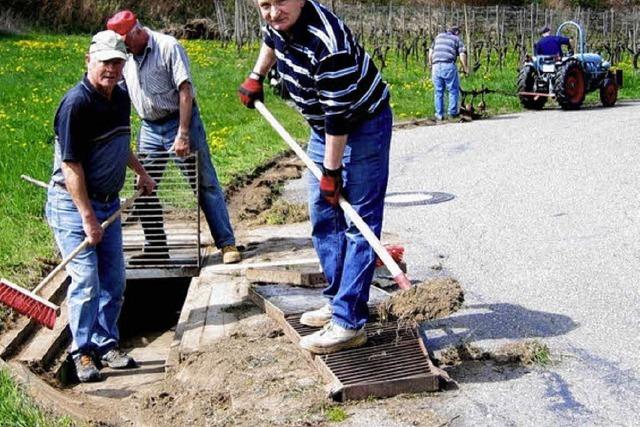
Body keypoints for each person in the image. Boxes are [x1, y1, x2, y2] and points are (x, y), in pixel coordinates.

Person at [238, 0, 392, 354]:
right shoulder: (279, 23)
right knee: (323, 213)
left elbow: (340, 117)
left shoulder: (328, 42)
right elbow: (271, 38)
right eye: (264, 5)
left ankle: (349, 323)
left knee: (358, 222)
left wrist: (332, 171)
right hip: (323, 127)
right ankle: (339, 300)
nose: (273, 12)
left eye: (280, 2)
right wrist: (256, 75)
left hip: (361, 123)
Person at [46, 30, 156, 382]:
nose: (111, 69)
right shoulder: (76, 105)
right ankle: (82, 353)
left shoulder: (120, 96)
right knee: (86, 280)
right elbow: (71, 166)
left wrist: (141, 173)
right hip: (73, 205)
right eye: (105, 62)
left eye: (117, 62)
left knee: (114, 280)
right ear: (88, 62)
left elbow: (119, 145)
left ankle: (105, 343)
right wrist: (88, 217)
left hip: (108, 204)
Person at [106, 10, 241, 265]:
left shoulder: (168, 47)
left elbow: (185, 90)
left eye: (124, 41)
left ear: (136, 30)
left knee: (204, 183)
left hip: (179, 120)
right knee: (143, 186)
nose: (121, 47)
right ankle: (156, 248)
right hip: (149, 126)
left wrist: (183, 133)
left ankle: (226, 243)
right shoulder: (124, 56)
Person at [429, 25, 468, 121]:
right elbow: (462, 54)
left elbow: (430, 52)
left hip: (436, 66)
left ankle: (439, 114)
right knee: (453, 90)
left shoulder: (438, 37)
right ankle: (452, 113)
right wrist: (465, 68)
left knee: (438, 91)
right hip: (448, 65)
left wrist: (431, 64)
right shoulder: (456, 39)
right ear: (457, 32)